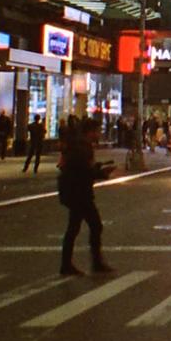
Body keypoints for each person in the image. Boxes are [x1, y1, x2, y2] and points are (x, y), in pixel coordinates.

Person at [57, 118, 112, 276]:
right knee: (94, 225)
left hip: (75, 192)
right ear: (91, 132)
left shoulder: (80, 145)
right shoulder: (81, 147)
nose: (99, 133)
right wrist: (101, 173)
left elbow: (82, 168)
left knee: (75, 227)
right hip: (78, 192)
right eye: (98, 130)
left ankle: (69, 264)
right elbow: (81, 171)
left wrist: (98, 168)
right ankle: (93, 263)